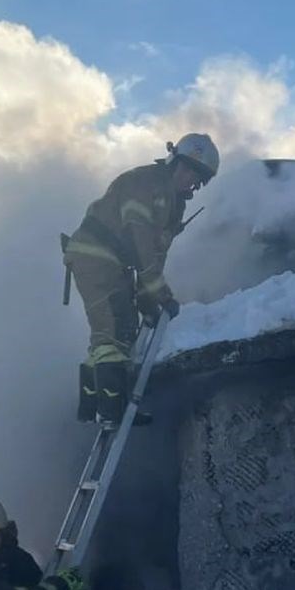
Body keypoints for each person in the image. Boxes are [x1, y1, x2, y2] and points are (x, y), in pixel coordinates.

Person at [63, 133, 220, 424]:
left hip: (113, 262)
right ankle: (112, 412)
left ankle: (91, 407)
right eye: (186, 169)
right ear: (174, 162)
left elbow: (157, 255)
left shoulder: (175, 205)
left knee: (118, 328)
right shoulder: (144, 182)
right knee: (113, 330)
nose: (190, 179)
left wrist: (149, 300)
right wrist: (160, 293)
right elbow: (141, 240)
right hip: (95, 255)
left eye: (197, 177)